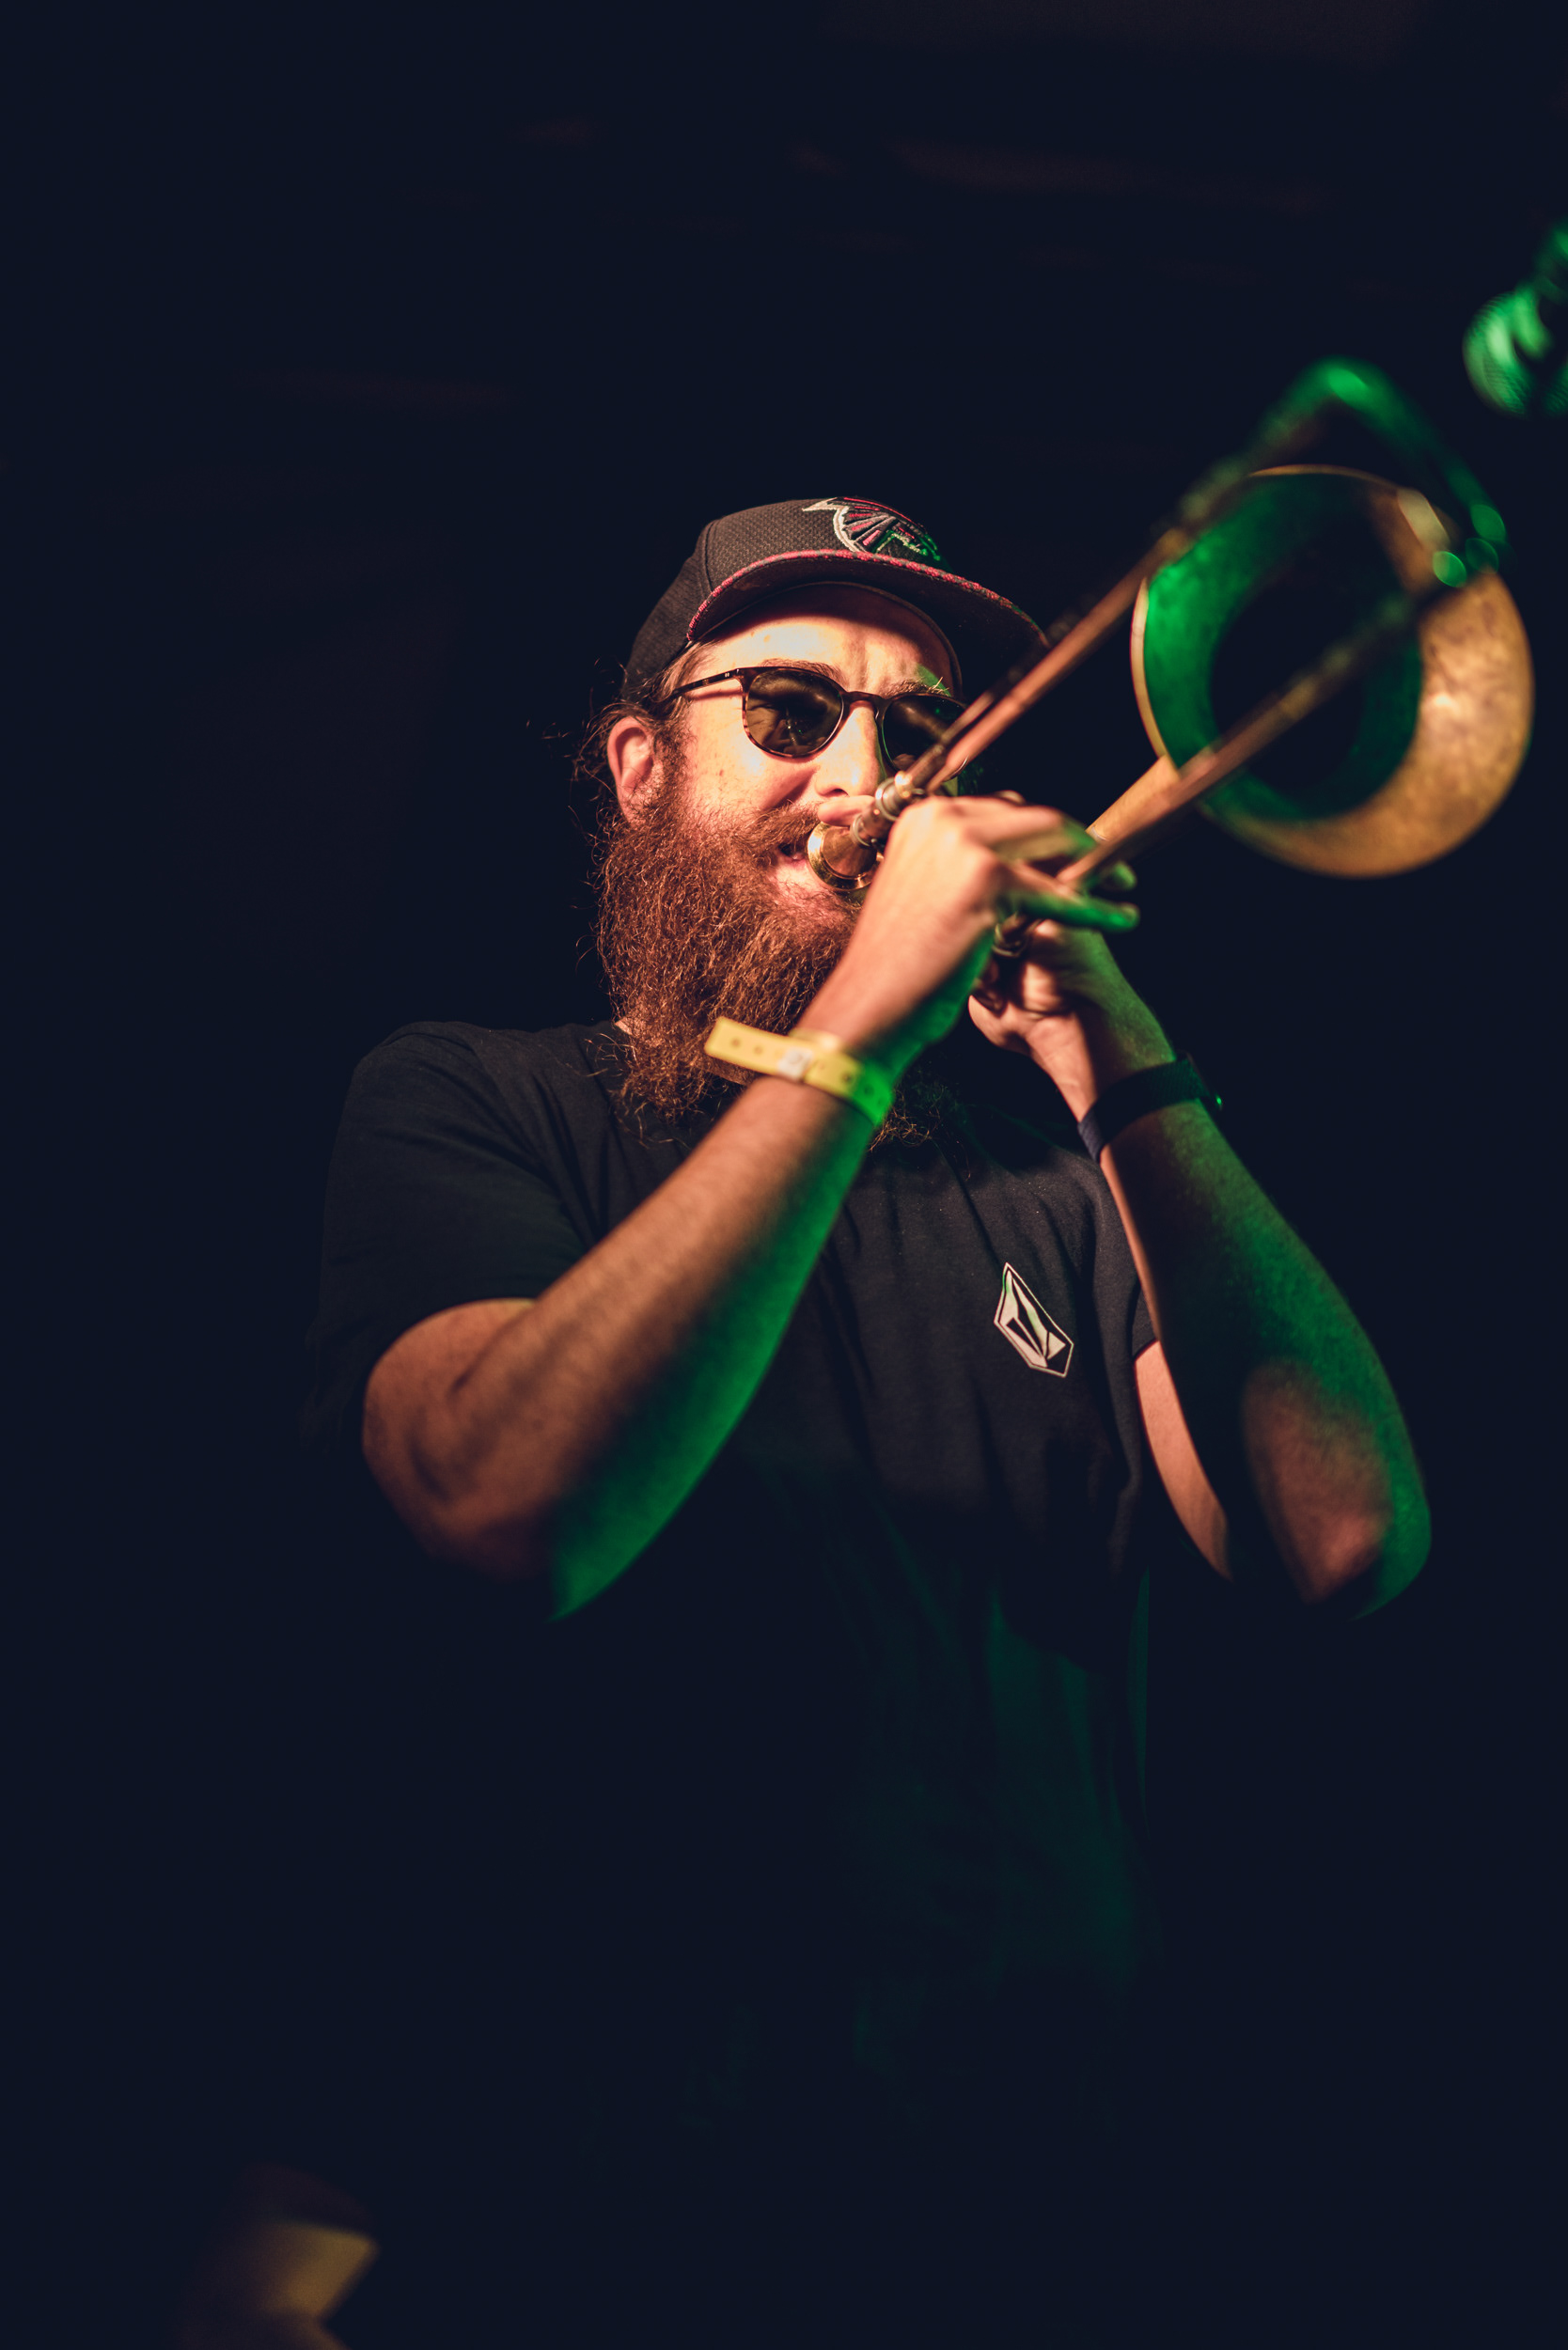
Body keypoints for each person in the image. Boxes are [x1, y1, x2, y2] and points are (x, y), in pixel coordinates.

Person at [178, 497, 1429, 2349]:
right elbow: (504, 1503)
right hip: (604, 2233)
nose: (865, 776)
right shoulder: (479, 1100)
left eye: (921, 731)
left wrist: (1117, 1054)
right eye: (788, 711)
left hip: (1032, 2227)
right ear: (639, 767)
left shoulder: (1063, 1192)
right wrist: (866, 1018)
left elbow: (1343, 1540)